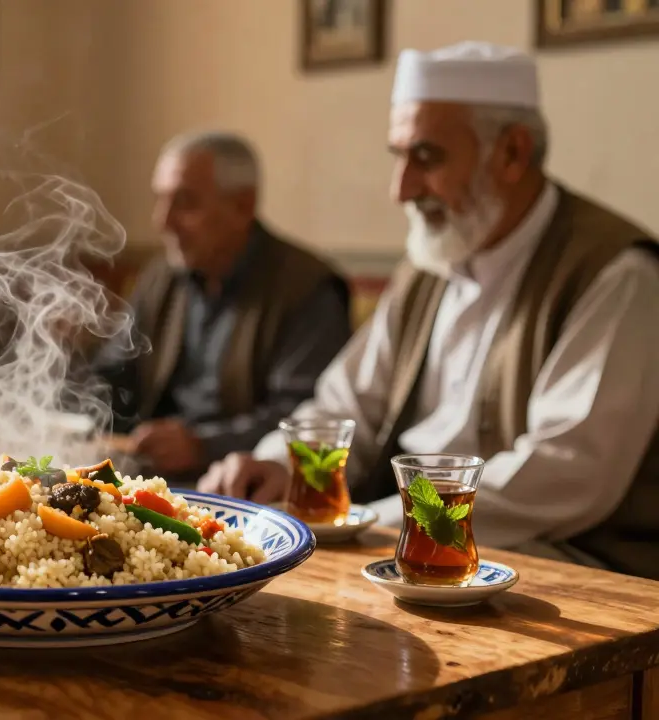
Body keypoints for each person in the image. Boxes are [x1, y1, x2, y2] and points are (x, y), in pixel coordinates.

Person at [198, 42, 659, 577]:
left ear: (511, 153)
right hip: (401, 543)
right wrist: (281, 463)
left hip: (565, 568)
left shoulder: (615, 274)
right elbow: (348, 404)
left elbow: (563, 477)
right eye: (398, 156)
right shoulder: (435, 257)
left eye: (426, 157)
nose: (401, 189)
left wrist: (379, 521)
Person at [99, 131, 351, 483]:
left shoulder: (307, 288)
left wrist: (203, 445)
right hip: (151, 473)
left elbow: (304, 415)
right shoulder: (162, 276)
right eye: (161, 200)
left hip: (241, 483)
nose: (163, 221)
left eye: (185, 202)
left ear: (242, 206)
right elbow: (116, 371)